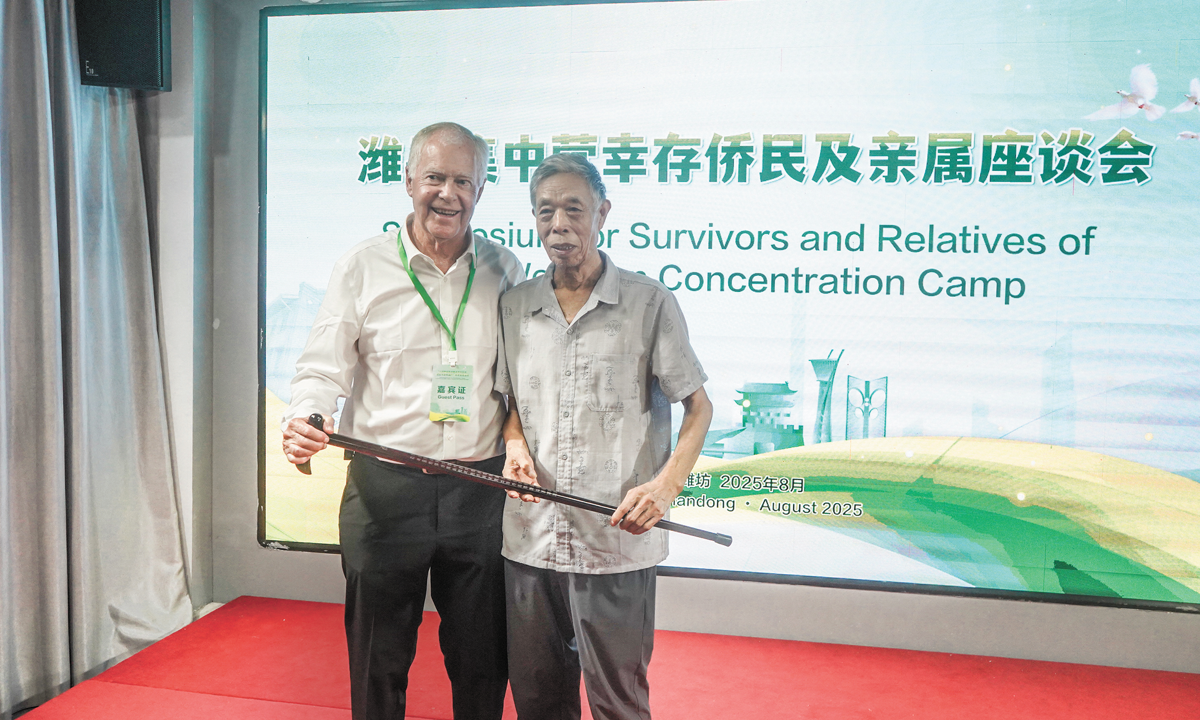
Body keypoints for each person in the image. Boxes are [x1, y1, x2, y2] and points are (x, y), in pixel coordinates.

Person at [281, 122, 524, 720]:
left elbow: (523, 378)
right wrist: (309, 418)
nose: (447, 193)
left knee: (483, 659)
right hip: (385, 488)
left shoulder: (505, 270)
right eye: (435, 178)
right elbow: (321, 367)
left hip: (480, 490)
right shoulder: (363, 266)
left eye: (463, 180)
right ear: (407, 180)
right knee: (378, 658)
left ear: (483, 190)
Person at [496, 152, 714, 720]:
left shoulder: (648, 303)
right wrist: (515, 445)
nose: (558, 224)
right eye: (546, 211)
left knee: (618, 703)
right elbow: (512, 404)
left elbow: (699, 407)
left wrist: (664, 489)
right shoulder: (516, 306)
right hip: (531, 541)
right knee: (538, 700)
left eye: (573, 208)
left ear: (603, 212)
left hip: (614, 543)